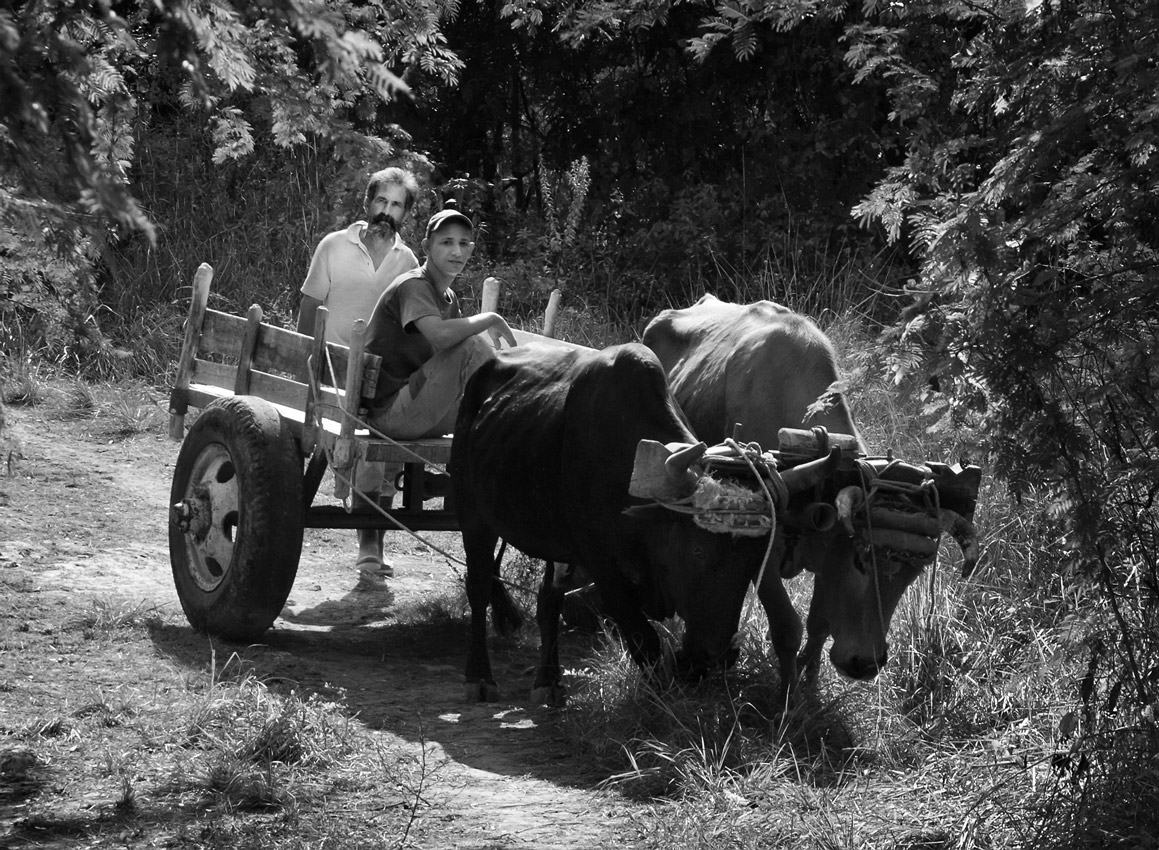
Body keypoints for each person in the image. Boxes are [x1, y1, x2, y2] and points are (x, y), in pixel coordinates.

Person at [352, 202, 517, 583]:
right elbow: (444, 339)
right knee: (474, 345)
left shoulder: (447, 299)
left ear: (472, 250)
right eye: (446, 242)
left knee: (476, 352)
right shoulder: (414, 285)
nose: (456, 252)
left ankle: (504, 432)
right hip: (388, 410)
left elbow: (444, 360)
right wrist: (490, 319)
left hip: (416, 404)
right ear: (426, 246)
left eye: (463, 243)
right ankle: (499, 436)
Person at [296, 166, 419, 583]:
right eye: (381, 202)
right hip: (332, 372)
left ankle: (372, 544)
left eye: (397, 205)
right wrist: (305, 366)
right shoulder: (333, 246)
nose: (387, 212)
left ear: (405, 215)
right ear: (367, 204)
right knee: (359, 446)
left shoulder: (409, 262)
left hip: (381, 378)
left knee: (383, 453)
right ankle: (366, 544)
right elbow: (308, 312)